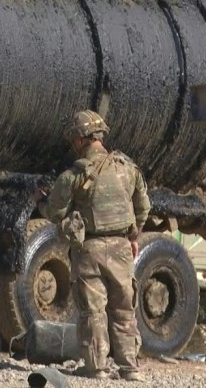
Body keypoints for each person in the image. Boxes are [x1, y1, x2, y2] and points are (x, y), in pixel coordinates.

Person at [36, 110, 150, 382]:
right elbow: (143, 209)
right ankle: (130, 368)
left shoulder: (73, 175)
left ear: (79, 139)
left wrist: (38, 200)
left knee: (93, 311)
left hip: (89, 250)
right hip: (122, 247)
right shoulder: (128, 168)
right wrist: (133, 239)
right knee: (124, 308)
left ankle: (95, 367)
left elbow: (55, 213)